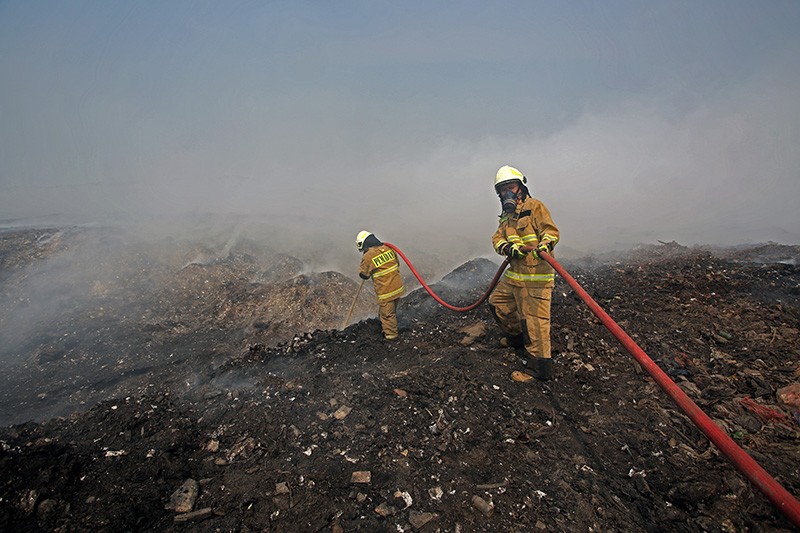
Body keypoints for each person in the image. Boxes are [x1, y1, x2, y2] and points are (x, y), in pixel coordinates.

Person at [488, 165, 560, 380]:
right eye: (502, 190)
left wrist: (545, 245)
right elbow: (497, 238)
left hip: (536, 276)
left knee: (535, 322)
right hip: (516, 275)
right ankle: (517, 338)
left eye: (510, 187)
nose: (507, 193)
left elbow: (550, 231)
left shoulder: (535, 207)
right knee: (497, 303)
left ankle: (539, 368)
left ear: (521, 187)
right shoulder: (506, 216)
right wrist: (507, 247)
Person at [356, 230, 405, 340]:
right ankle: (385, 328)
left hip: (386, 291)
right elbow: (397, 263)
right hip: (398, 287)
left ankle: (391, 337)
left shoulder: (368, 256)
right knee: (390, 311)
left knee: (387, 315)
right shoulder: (388, 249)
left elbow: (364, 274)